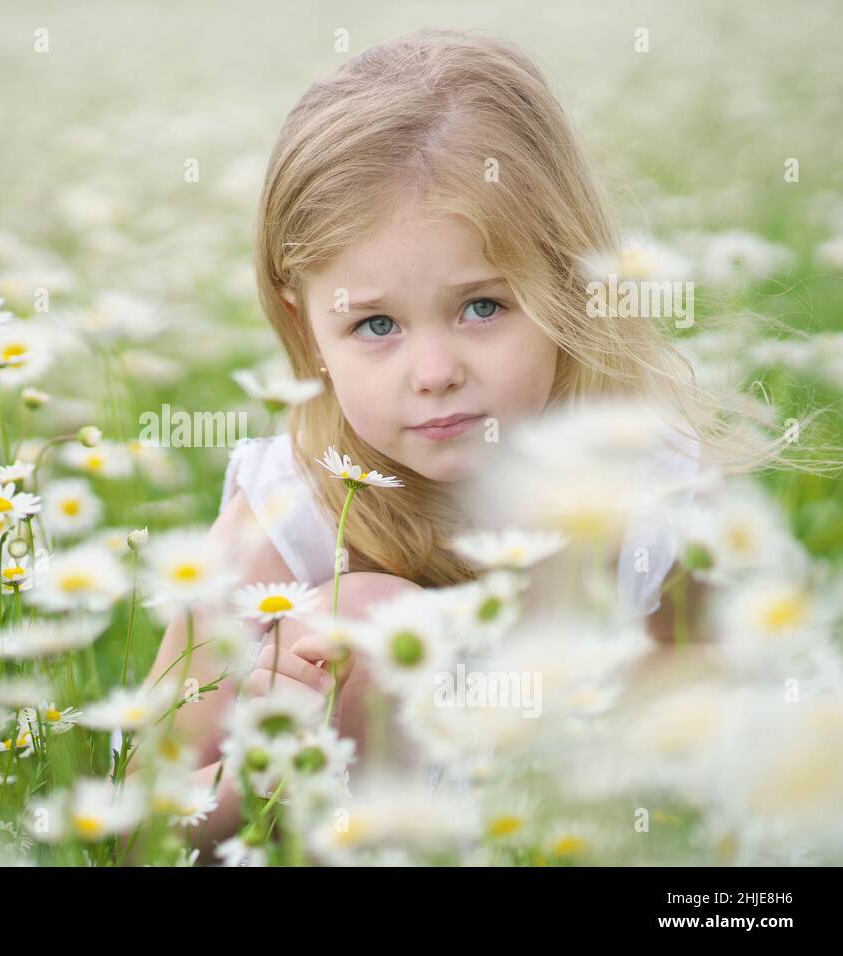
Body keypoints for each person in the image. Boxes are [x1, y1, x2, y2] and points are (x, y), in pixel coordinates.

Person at [125, 28, 812, 855]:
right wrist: (258, 768)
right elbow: (140, 827)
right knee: (367, 618)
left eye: (483, 307)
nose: (435, 371)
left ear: (569, 284)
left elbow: (720, 734)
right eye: (374, 324)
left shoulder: (649, 489)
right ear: (302, 324)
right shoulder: (286, 517)